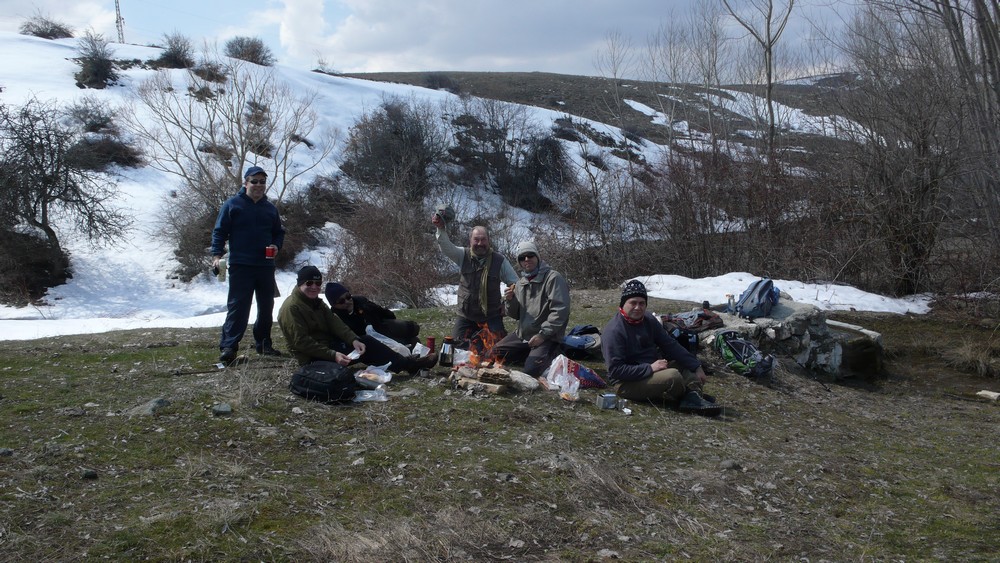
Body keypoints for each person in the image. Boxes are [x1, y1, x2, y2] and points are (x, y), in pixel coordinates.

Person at [278, 266, 436, 373]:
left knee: (365, 342)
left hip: (328, 348)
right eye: (309, 283)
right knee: (366, 348)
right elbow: (302, 343)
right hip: (311, 359)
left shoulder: (316, 303)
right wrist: (333, 355)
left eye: (318, 283)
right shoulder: (292, 308)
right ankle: (410, 365)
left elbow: (335, 323)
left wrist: (353, 340)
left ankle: (407, 364)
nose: (314, 287)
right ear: (300, 284)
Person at [601, 279, 721, 416]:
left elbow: (670, 345)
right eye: (633, 303)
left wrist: (696, 366)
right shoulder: (614, 331)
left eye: (642, 303)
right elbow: (616, 371)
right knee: (673, 376)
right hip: (626, 383)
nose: (638, 307)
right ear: (623, 304)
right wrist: (650, 368)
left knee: (686, 366)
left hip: (652, 370)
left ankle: (692, 396)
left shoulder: (648, 319)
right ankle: (690, 396)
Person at [211, 165, 285, 363]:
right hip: (240, 265)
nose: (258, 185)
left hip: (265, 266)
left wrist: (276, 245)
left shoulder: (270, 209)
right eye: (254, 181)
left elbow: (279, 232)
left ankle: (264, 344)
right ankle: (229, 347)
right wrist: (216, 256)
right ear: (245, 183)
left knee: (266, 306)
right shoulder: (232, 205)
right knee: (238, 307)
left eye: (262, 182)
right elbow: (219, 232)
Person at [431, 210, 517, 349]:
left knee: (498, 350)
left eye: (483, 239)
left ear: (488, 241)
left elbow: (516, 283)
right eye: (476, 239)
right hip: (466, 316)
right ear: (470, 241)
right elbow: (446, 248)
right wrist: (440, 228)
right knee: (456, 348)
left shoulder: (499, 260)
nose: (480, 243)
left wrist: (507, 303)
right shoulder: (462, 255)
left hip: (492, 315)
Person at [490, 241, 571, 377]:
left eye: (530, 255)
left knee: (530, 371)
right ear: (519, 262)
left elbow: (560, 311)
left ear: (537, 257)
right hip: (523, 335)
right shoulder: (520, 283)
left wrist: (542, 335)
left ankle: (552, 352)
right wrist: (510, 300)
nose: (527, 259)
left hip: (546, 336)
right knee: (492, 354)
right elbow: (515, 315)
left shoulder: (553, 278)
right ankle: (531, 353)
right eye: (522, 257)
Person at [325, 282, 421, 347]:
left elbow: (386, 314)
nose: (347, 301)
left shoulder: (360, 301)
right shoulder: (334, 317)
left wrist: (369, 310)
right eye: (341, 301)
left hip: (380, 326)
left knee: (412, 328)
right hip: (368, 340)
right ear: (334, 305)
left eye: (348, 296)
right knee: (409, 344)